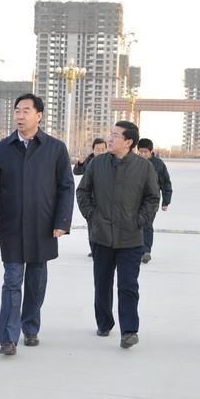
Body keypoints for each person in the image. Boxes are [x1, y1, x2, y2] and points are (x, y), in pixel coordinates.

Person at [0, 93, 74, 356]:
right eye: (17, 110)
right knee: (12, 281)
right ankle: (8, 338)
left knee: (36, 282)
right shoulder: (1, 149)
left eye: (26, 111)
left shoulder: (55, 148)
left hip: (43, 226)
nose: (20, 115)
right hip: (11, 226)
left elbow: (66, 187)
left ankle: (30, 326)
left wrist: (62, 221)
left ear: (39, 116)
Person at [76, 121, 159, 349]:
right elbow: (83, 192)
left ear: (129, 142)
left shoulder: (144, 167)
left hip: (131, 238)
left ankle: (129, 331)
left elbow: (152, 198)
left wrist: (138, 221)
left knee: (128, 285)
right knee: (102, 284)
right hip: (101, 235)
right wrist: (93, 217)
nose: (110, 138)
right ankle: (104, 323)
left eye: (115, 135)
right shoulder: (97, 163)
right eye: (110, 134)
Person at [137, 138, 173, 264]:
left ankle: (146, 251)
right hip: (135, 200)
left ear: (151, 151)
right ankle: (137, 249)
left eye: (145, 152)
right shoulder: (134, 162)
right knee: (136, 225)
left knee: (147, 225)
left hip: (151, 201)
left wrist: (166, 201)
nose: (142, 154)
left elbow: (166, 183)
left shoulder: (158, 164)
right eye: (140, 151)